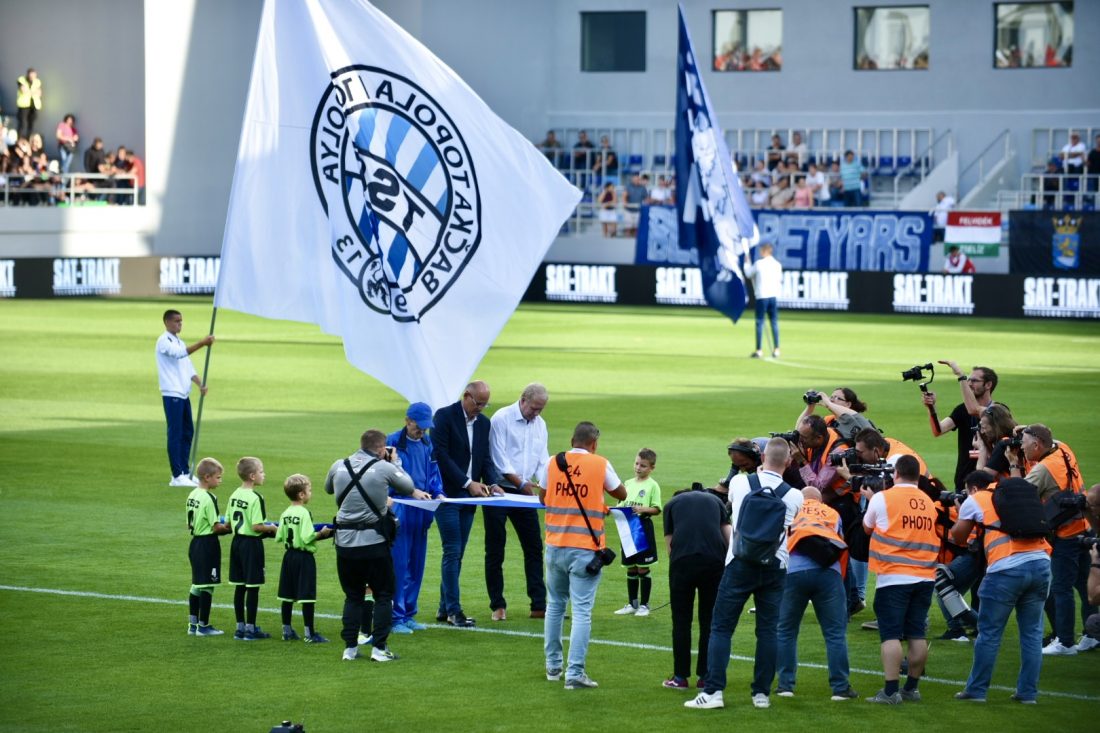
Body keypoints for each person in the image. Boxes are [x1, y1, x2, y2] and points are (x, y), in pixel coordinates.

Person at [686, 439, 803, 711]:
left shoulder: (741, 483)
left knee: (722, 628)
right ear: (788, 461)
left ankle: (714, 691)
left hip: (739, 562)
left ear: (762, 456)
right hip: (775, 566)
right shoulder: (795, 495)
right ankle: (761, 694)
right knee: (768, 631)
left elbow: (729, 503)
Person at [326, 430, 431, 661]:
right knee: (383, 595)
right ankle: (379, 649)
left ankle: (350, 649)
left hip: (344, 542)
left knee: (353, 596)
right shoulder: (385, 467)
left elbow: (328, 488)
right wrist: (396, 462)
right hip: (374, 542)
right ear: (382, 448)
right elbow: (407, 484)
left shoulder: (338, 465)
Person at [540, 421, 628, 689]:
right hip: (585, 550)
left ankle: (553, 667)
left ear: (572, 439)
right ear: (594, 443)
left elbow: (544, 497)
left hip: (555, 546)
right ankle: (575, 673)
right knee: (581, 612)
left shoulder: (553, 462)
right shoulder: (600, 463)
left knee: (554, 605)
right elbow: (621, 493)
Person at [950, 478, 1052, 703]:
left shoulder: (976, 499)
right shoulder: (1022, 497)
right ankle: (1027, 694)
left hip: (1005, 569)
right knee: (1032, 634)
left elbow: (957, 537)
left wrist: (961, 511)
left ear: (975, 488)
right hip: (1041, 564)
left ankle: (976, 691)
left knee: (989, 633)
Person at [1007, 424, 1095, 655]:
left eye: (1024, 443)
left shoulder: (1043, 470)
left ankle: (1065, 642)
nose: (1021, 447)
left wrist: (1014, 464)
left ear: (1037, 445)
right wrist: (1028, 429)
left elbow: (1019, 496)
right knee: (1085, 583)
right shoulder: (1063, 448)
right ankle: (1093, 634)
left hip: (1066, 534)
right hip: (1086, 526)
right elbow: (1048, 437)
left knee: (1061, 588)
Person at [861, 455, 938, 704]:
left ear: (895, 474)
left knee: (891, 634)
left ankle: (891, 691)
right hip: (925, 576)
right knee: (917, 633)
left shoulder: (884, 498)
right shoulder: (927, 501)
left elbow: (867, 527)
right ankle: (912, 688)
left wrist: (872, 499)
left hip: (894, 576)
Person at [432, 380, 503, 627]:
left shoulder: (483, 423)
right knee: (452, 551)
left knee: (457, 553)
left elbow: (484, 457)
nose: (481, 408)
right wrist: (466, 482)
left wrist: (492, 483)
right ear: (466, 396)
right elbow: (441, 455)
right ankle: (454, 611)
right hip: (448, 496)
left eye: (485, 404)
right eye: (478, 403)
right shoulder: (444, 416)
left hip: (470, 497)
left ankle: (444, 608)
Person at [776, 487, 856, 700]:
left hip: (793, 573)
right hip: (828, 574)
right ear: (820, 500)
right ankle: (840, 688)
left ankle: (785, 686)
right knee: (835, 633)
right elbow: (839, 542)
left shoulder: (790, 511)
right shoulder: (832, 513)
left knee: (786, 631)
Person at [486, 383, 550, 622]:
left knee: (534, 547)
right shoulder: (502, 418)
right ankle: (498, 604)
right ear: (523, 400)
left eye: (541, 409)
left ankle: (539, 604)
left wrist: (546, 484)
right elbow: (498, 457)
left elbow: (543, 459)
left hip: (525, 493)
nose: (537, 413)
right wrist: (521, 482)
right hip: (499, 490)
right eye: (534, 408)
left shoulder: (540, 425)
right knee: (495, 549)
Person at [662, 483, 730, 690]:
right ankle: (705, 676)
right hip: (714, 563)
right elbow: (728, 537)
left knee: (681, 621)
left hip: (683, 562)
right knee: (709, 620)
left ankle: (680, 677)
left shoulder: (671, 505)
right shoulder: (716, 501)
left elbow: (670, 546)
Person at [387, 402, 444, 634]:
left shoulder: (427, 443)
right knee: (399, 564)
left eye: (425, 427)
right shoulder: (391, 443)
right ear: (407, 421)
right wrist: (411, 492)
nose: (422, 431)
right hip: (400, 508)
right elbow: (389, 475)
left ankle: (409, 613)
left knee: (416, 564)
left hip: (422, 509)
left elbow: (433, 473)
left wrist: (438, 491)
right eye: (418, 426)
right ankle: (395, 617)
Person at [156, 309, 214, 487]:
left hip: (183, 393)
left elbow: (188, 367)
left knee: (187, 431)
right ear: (166, 322)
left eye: (181, 321)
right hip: (172, 393)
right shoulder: (164, 341)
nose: (179, 324)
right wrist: (202, 343)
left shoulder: (180, 341)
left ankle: (184, 471)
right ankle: (176, 475)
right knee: (175, 433)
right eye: (175, 321)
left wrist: (200, 384)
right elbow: (179, 354)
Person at [275, 473, 334, 643]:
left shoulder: (286, 512)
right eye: (309, 490)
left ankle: (286, 630)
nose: (310, 493)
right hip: (304, 557)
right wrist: (322, 533)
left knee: (287, 595)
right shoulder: (303, 513)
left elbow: (279, 536)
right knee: (307, 595)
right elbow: (308, 537)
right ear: (301, 494)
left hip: (289, 556)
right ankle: (310, 633)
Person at [922, 362, 997, 491]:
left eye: (974, 380)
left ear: (988, 385)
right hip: (964, 480)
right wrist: (931, 407)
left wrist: (960, 375)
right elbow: (938, 430)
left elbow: (974, 410)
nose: (969, 383)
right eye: (968, 380)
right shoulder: (961, 410)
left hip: (990, 480)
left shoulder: (998, 411)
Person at [227, 456, 278, 641]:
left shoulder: (234, 494)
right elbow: (257, 526)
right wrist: (272, 528)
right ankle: (250, 629)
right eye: (261, 471)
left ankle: (239, 627)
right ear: (252, 476)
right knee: (253, 587)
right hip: (251, 545)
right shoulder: (256, 497)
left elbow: (230, 522)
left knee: (239, 587)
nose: (264, 475)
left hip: (237, 542)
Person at [612, 448, 662, 617]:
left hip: (642, 529)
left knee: (642, 568)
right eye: (637, 463)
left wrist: (642, 508)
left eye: (643, 465)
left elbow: (656, 509)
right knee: (631, 567)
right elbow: (620, 504)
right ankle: (632, 604)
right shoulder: (627, 483)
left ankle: (644, 605)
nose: (638, 468)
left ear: (651, 468)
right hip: (627, 529)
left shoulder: (652, 485)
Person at [185, 457, 232, 636]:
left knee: (196, 585)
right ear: (207, 477)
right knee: (207, 586)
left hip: (195, 543)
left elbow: (189, 524)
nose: (220, 481)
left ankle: (193, 625)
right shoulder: (209, 497)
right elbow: (216, 527)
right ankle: (203, 627)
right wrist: (231, 528)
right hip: (207, 544)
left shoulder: (192, 495)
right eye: (218, 477)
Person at [744, 242, 782, 359]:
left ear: (765, 251)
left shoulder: (759, 264)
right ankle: (776, 349)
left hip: (762, 296)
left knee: (759, 322)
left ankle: (759, 349)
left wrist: (746, 262)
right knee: (774, 322)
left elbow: (748, 273)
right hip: (773, 296)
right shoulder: (777, 265)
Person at [15, 69, 42, 140]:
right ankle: (19, 140)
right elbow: (23, 90)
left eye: (34, 75)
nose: (32, 77)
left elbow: (39, 93)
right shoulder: (21, 80)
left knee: (31, 124)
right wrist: (33, 92)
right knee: (22, 124)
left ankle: (28, 139)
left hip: (34, 106)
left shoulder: (37, 81)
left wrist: (30, 91)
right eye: (31, 75)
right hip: (24, 106)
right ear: (28, 74)